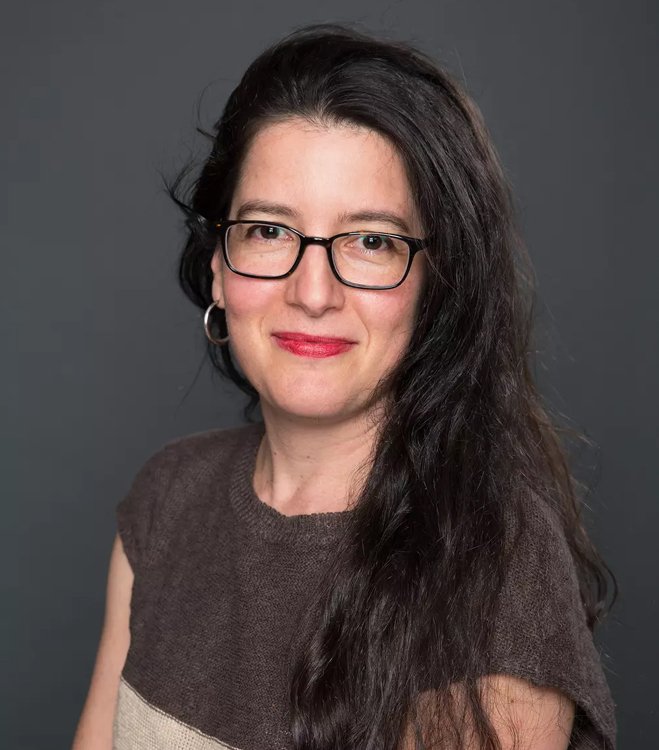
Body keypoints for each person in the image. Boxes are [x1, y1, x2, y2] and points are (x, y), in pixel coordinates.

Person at [72, 22, 617, 750]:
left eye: (370, 241)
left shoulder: (496, 569)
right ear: (217, 265)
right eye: (269, 230)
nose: (312, 292)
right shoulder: (167, 499)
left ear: (435, 284)